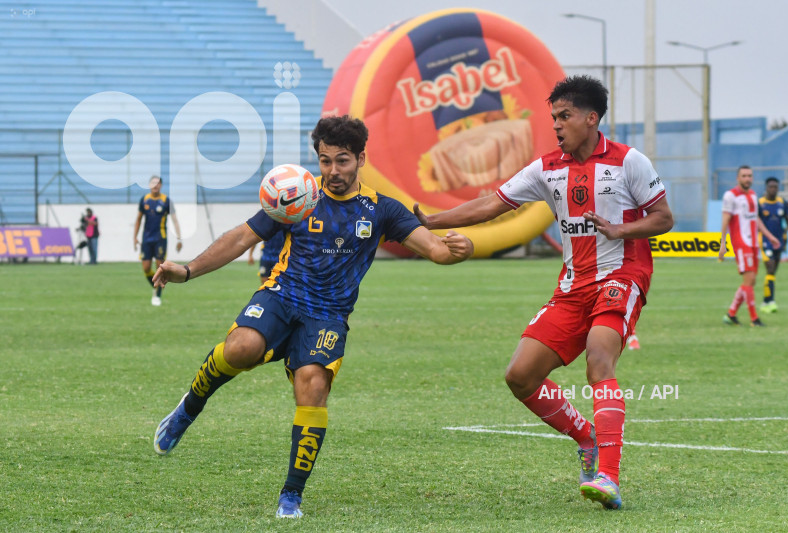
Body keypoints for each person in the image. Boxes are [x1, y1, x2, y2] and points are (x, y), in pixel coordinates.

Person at [151, 116, 474, 519]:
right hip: (282, 296)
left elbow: (436, 250)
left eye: (342, 161)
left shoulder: (381, 209)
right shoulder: (297, 197)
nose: (333, 171)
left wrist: (460, 247)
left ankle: (291, 495)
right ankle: (188, 409)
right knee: (240, 348)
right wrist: (187, 270)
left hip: (328, 315)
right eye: (325, 161)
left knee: (312, 386)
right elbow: (241, 237)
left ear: (361, 158)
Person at [414, 75, 674, 510]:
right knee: (520, 375)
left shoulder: (630, 162)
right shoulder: (547, 167)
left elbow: (664, 217)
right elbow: (490, 204)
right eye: (553, 117)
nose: (556, 125)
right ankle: (586, 437)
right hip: (573, 286)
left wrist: (619, 229)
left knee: (599, 358)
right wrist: (431, 222)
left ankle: (608, 476)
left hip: (621, 274)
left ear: (591, 118)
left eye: (565, 116)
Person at [719, 166, 780, 326]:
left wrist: (770, 236)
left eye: (750, 176)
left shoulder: (753, 196)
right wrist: (722, 244)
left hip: (753, 243)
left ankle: (731, 314)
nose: (747, 179)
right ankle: (754, 319)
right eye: (744, 176)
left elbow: (756, 220)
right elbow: (725, 220)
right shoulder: (731, 196)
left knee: (750, 282)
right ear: (738, 178)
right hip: (741, 243)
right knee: (749, 279)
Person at [133, 176, 183, 306]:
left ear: (161, 185)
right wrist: (135, 237)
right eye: (153, 183)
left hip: (160, 238)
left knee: (160, 268)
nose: (155, 186)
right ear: (149, 185)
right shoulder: (144, 200)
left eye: (158, 183)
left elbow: (175, 220)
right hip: (146, 239)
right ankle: (156, 287)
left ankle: (158, 295)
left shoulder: (166, 201)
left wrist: (179, 238)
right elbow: (138, 220)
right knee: (146, 268)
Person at [758, 176, 788, 313]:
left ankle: (765, 301)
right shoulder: (760, 203)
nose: (773, 189)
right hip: (765, 241)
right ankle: (771, 301)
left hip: (779, 242)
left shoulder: (781, 203)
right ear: (766, 188)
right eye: (771, 187)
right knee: (769, 268)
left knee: (773, 272)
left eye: (775, 187)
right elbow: (756, 223)